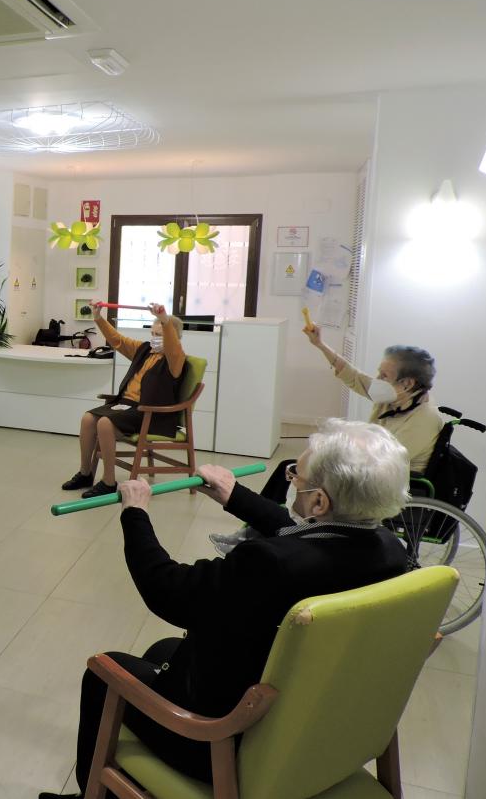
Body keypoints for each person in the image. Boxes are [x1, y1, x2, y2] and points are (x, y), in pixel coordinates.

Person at [40, 419, 410, 799]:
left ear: (319, 501)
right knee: (163, 652)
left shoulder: (269, 564)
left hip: (223, 741)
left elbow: (168, 590)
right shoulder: (392, 554)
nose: (291, 481)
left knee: (104, 673)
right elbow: (311, 536)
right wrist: (235, 496)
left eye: (295, 475)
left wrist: (135, 512)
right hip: (320, 726)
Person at [211, 329, 441, 555]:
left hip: (386, 484)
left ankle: (264, 533)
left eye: (384, 376)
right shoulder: (392, 398)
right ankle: (254, 529)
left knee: (308, 477)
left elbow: (386, 464)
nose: (377, 380)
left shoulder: (426, 418)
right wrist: (319, 345)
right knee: (288, 468)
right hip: (365, 471)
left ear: (408, 384)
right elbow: (354, 377)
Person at [62, 303, 186, 499]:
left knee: (105, 423)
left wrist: (165, 320)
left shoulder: (176, 358)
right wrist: (98, 318)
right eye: (153, 334)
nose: (154, 339)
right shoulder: (144, 350)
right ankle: (85, 473)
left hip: (151, 412)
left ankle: (109, 482)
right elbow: (117, 340)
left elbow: (172, 348)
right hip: (128, 406)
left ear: (174, 338)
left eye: (160, 335)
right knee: (88, 419)